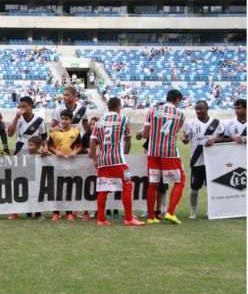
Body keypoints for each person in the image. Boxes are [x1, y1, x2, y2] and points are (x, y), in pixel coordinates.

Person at [90, 97, 145, 226]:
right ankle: (129, 218)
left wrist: (94, 158)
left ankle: (101, 219)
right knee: (127, 185)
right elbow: (127, 138)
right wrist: (126, 151)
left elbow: (92, 142)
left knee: (102, 189)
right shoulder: (123, 120)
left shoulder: (99, 122)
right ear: (118, 108)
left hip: (103, 161)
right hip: (118, 161)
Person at [141, 89, 186, 224]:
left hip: (153, 152)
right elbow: (174, 132)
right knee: (180, 180)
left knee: (153, 183)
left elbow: (145, 134)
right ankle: (170, 213)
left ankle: (150, 216)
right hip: (169, 152)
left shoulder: (152, 111)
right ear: (177, 100)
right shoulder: (180, 114)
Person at [181, 100, 225, 219]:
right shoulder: (191, 123)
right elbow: (186, 141)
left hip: (213, 160)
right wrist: (184, 138)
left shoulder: (216, 122)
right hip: (197, 160)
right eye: (197, 109)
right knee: (194, 187)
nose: (198, 111)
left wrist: (214, 140)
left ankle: (211, 210)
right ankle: (193, 210)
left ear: (207, 108)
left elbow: (224, 138)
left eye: (201, 108)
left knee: (214, 186)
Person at [48, 109, 82, 221]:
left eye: (66, 119)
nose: (64, 121)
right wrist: (55, 151)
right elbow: (49, 146)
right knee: (57, 188)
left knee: (68, 188)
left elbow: (80, 146)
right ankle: (56, 213)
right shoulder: (54, 132)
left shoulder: (76, 132)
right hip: (57, 164)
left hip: (70, 164)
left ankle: (69, 213)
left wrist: (74, 152)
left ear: (71, 120)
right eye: (62, 119)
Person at [9, 135, 44, 221]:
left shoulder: (41, 155)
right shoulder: (24, 153)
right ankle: (28, 214)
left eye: (31, 145)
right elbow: (14, 161)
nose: (29, 147)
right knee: (27, 196)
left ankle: (38, 214)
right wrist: (17, 157)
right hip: (26, 179)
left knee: (37, 196)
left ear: (38, 146)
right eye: (28, 144)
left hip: (37, 180)